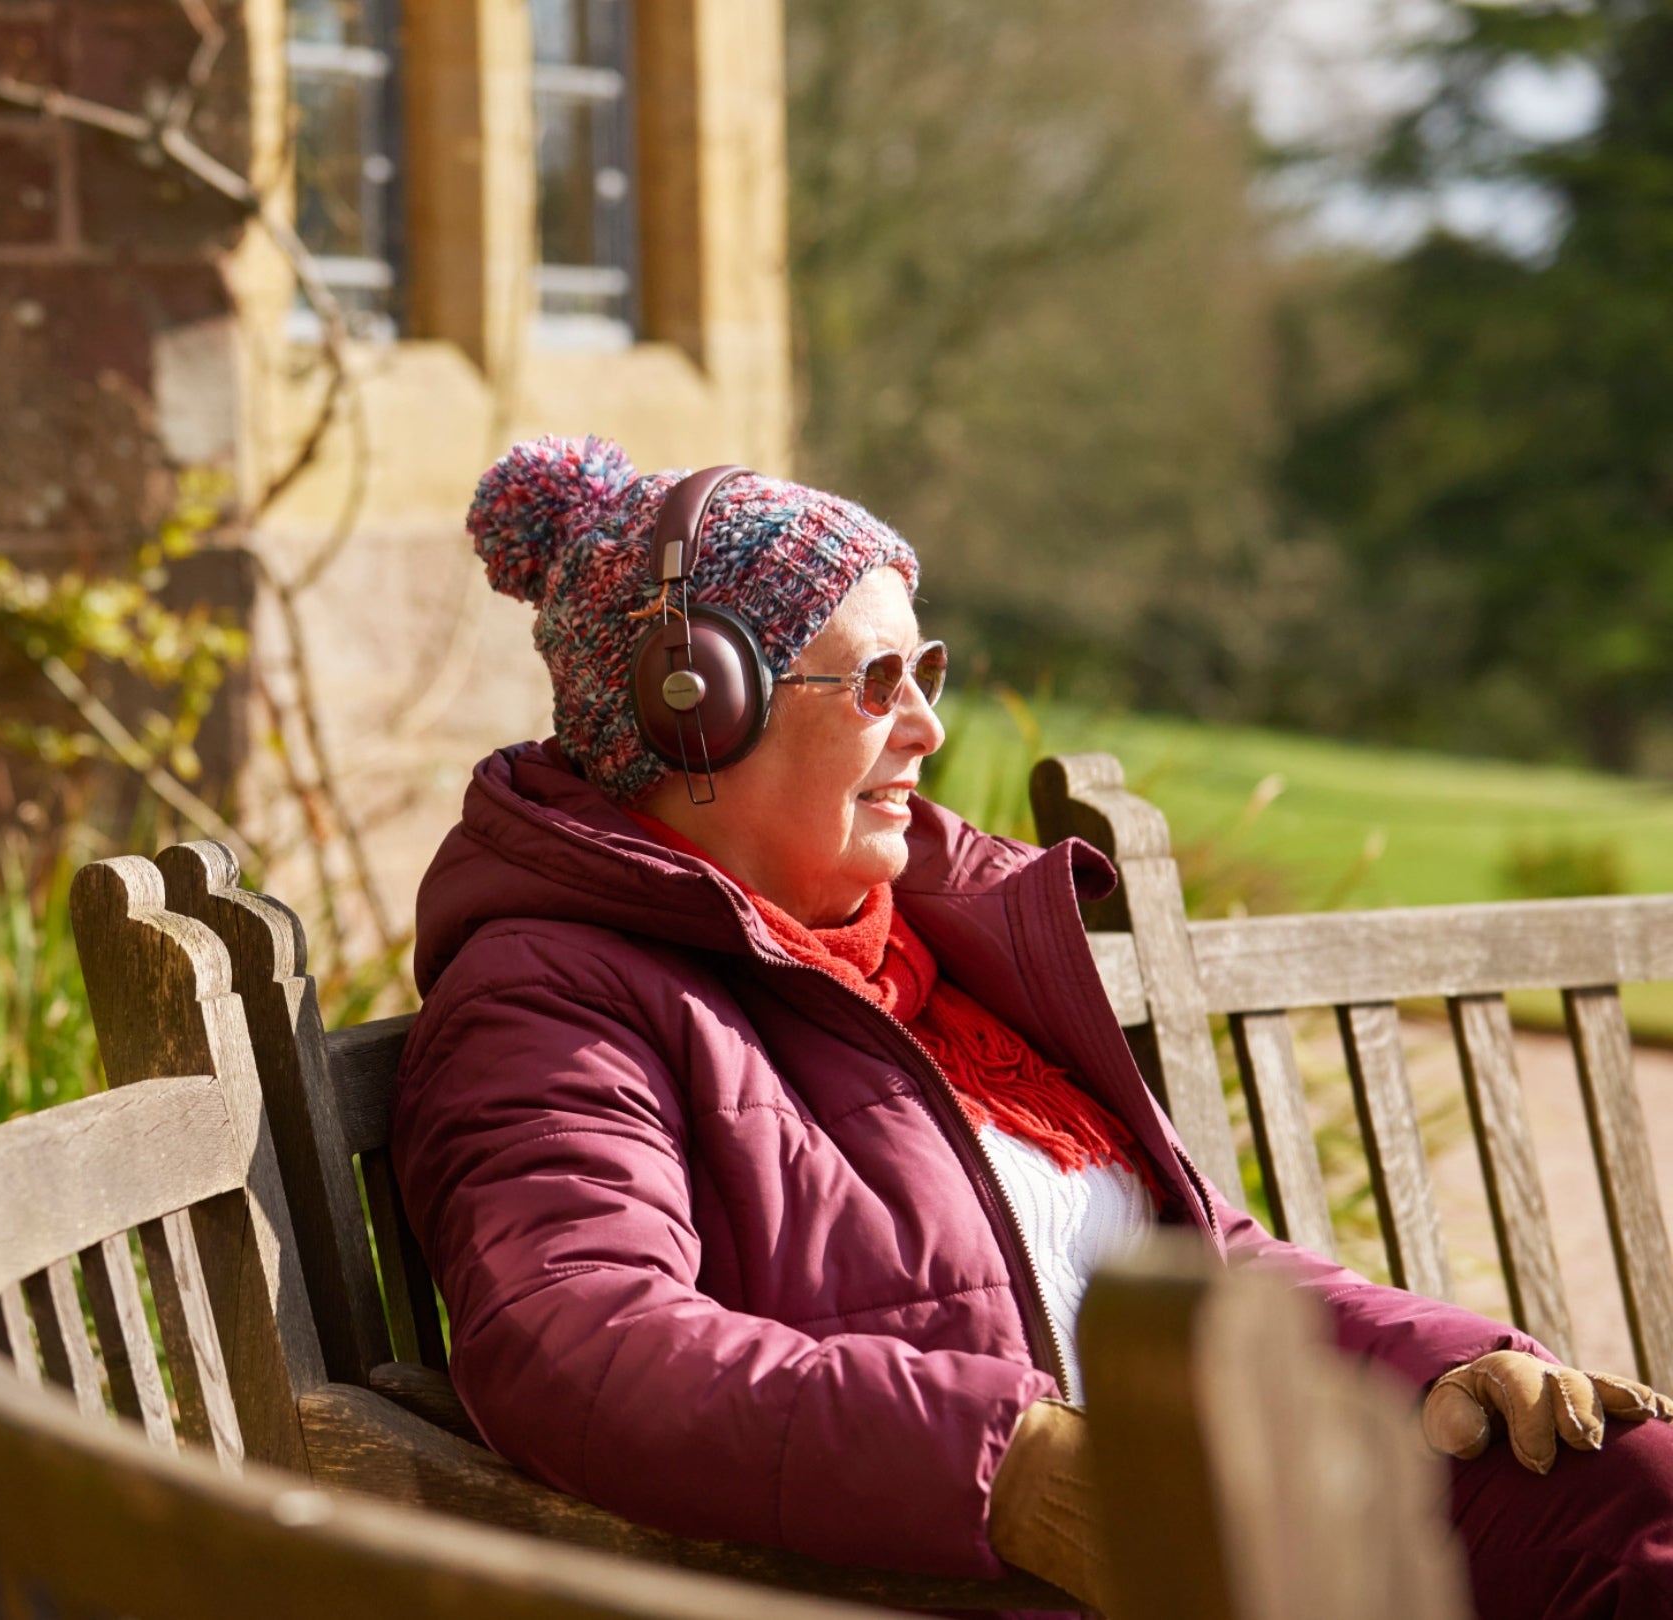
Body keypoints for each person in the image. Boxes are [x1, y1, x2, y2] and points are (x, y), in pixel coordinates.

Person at [392, 435, 1673, 1617]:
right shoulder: (551, 992)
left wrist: (1443, 1365)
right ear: (695, 712)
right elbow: (575, 1334)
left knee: (1638, 1495)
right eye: (876, 681)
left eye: (927, 674)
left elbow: (1199, 1266)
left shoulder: (929, 953)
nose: (928, 728)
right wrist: (1004, 1466)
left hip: (1218, 1518)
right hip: (990, 1575)